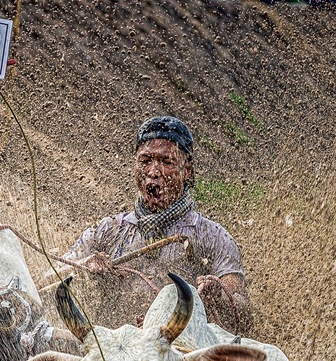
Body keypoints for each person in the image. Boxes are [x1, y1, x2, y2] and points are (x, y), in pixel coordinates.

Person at [50, 115, 253, 337]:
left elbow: (242, 313)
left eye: (166, 162)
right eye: (145, 161)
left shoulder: (212, 237)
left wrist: (220, 294)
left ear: (187, 171)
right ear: (135, 166)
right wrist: (82, 267)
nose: (154, 171)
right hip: (111, 352)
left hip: (176, 355)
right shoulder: (107, 230)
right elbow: (47, 280)